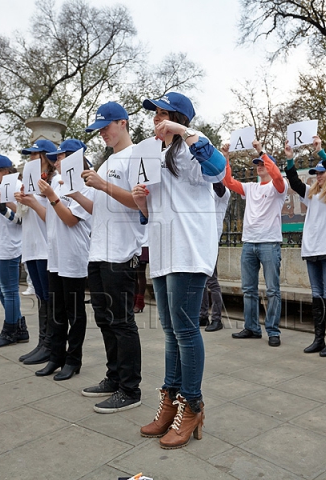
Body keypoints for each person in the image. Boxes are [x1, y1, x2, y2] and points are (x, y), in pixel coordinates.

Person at [133, 92, 226, 449]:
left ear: (177, 118)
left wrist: (185, 131)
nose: (156, 119)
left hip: (189, 251)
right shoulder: (156, 157)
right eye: (155, 114)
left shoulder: (190, 149)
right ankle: (171, 403)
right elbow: (157, 209)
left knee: (186, 332)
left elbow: (217, 169)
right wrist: (143, 205)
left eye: (162, 114)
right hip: (164, 252)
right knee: (171, 332)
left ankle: (193, 406)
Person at [68, 102, 146, 414]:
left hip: (121, 252)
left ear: (123, 123)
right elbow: (98, 209)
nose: (102, 133)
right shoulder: (106, 162)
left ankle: (131, 388)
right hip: (98, 251)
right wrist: (78, 196)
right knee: (105, 320)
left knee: (122, 321)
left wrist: (102, 184)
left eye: (106, 126)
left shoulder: (138, 155)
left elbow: (139, 204)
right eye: (99, 129)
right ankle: (114, 377)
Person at [284, 136, 326, 356]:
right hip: (312, 250)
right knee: (316, 294)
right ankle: (318, 339)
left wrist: (322, 152)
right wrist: (289, 160)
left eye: (322, 172)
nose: (319, 176)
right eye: (316, 173)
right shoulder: (311, 195)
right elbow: (294, 183)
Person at [35, 139, 94, 381]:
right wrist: (47, 196)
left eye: (61, 156)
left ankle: (73, 360)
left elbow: (71, 220)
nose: (57, 160)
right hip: (56, 254)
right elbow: (51, 218)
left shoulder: (86, 183)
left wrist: (52, 197)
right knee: (56, 309)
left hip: (73, 255)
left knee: (74, 311)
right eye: (57, 157)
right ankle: (55, 357)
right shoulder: (58, 183)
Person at [223, 140, 288, 347]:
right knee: (249, 289)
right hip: (249, 243)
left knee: (272, 290)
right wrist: (225, 158)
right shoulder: (250, 187)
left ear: (269, 164)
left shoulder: (279, 186)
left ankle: (273, 330)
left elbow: (277, 175)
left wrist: (262, 151)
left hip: (269, 243)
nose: (259, 165)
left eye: (262, 163)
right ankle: (251, 327)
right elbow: (228, 181)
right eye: (257, 163)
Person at [15, 139, 56, 365]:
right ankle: (43, 342)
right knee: (41, 297)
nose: (31, 159)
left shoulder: (52, 182)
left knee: (49, 297)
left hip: (45, 247)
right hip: (31, 246)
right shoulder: (30, 180)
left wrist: (32, 201)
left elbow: (52, 218)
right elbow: (22, 217)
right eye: (30, 155)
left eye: (35, 155)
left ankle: (50, 344)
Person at [0, 155, 28, 348]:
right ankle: (19, 327)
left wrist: (1, 208)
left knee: (9, 292)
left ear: (5, 171)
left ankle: (10, 331)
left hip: (9, 245)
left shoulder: (17, 186)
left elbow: (20, 219)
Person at [200, 180, 230, 332]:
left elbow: (219, 185)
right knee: (202, 281)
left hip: (211, 241)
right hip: (200, 240)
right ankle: (203, 316)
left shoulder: (222, 193)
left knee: (212, 281)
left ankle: (217, 319)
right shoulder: (205, 191)